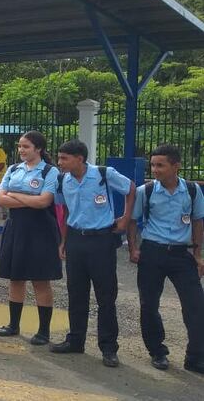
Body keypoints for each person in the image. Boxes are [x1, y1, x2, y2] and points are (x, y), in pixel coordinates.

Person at [50, 139, 135, 368]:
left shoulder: (103, 174)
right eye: (59, 158)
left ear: (80, 158)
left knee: (106, 297)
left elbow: (130, 188)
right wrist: (63, 241)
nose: (60, 162)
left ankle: (108, 348)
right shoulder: (63, 180)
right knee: (76, 294)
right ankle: (75, 340)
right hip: (76, 239)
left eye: (64, 158)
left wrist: (126, 218)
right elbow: (66, 210)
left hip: (101, 240)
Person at [127, 144, 204, 374]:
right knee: (149, 304)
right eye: (153, 164)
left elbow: (199, 220)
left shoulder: (191, 190)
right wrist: (133, 248)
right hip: (153, 252)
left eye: (160, 165)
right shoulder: (146, 191)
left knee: (196, 305)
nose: (155, 169)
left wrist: (198, 254)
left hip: (182, 254)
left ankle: (195, 356)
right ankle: (157, 352)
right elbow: (133, 220)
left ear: (176, 166)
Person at [0, 131, 62, 345]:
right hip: (16, 227)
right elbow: (0, 198)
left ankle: (43, 331)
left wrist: (14, 195)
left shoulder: (50, 172)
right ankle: (13, 324)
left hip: (40, 228)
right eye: (20, 146)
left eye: (26, 147)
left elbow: (44, 202)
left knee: (40, 279)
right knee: (16, 277)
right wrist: (29, 199)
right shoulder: (14, 169)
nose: (21, 150)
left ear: (38, 149)